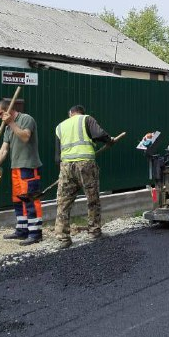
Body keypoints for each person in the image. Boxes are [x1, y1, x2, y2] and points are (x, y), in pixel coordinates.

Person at [54, 105, 116, 248]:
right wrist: (109, 140)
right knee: (92, 198)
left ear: (70, 113)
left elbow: (57, 156)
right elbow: (99, 134)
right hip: (85, 165)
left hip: (66, 166)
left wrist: (63, 171)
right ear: (82, 112)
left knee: (63, 202)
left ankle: (63, 238)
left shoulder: (60, 126)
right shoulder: (86, 119)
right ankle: (94, 231)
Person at [0, 99, 43, 245]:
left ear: (9, 110)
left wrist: (11, 123)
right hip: (16, 168)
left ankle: (35, 233)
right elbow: (4, 149)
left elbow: (25, 137)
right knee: (18, 201)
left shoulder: (26, 119)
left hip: (29, 167)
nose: (0, 117)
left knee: (30, 199)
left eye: (1, 114)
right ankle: (22, 230)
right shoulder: (7, 128)